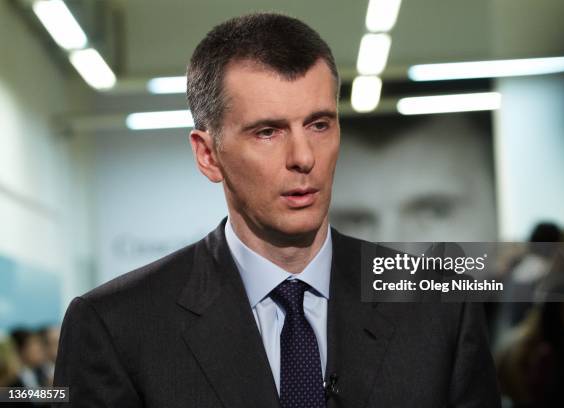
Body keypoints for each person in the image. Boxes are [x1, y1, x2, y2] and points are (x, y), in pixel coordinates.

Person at [53, 13, 500, 407]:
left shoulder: (438, 308)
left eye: (319, 124)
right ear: (208, 155)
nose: (303, 156)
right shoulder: (117, 328)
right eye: (268, 132)